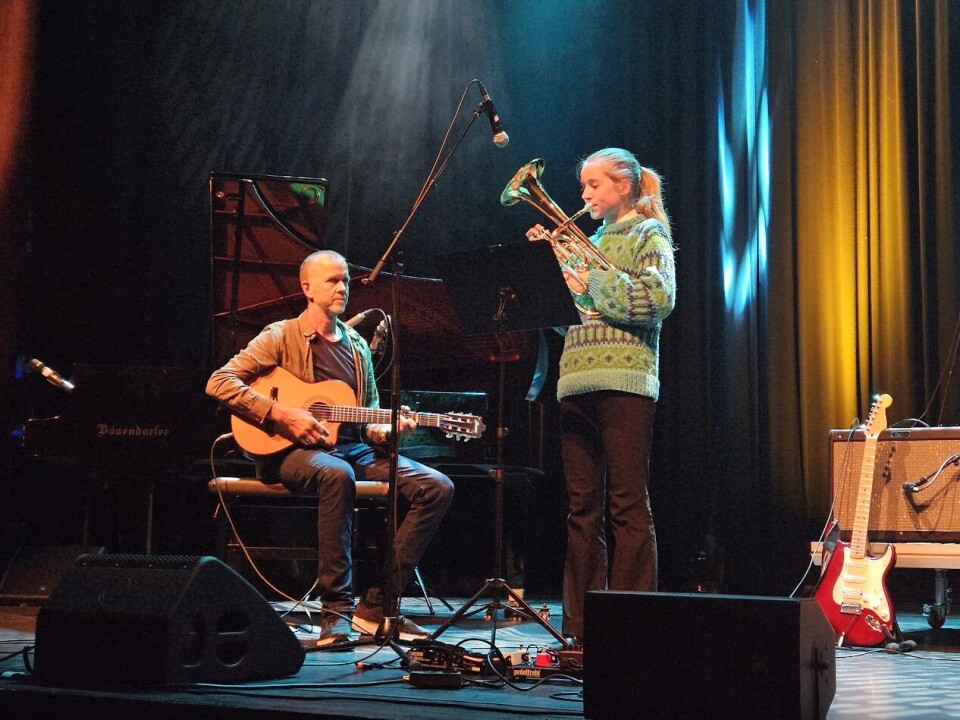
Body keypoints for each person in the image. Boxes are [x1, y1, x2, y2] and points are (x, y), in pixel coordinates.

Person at [206, 249, 454, 645]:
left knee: (437, 486)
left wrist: (390, 429)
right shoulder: (280, 335)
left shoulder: (357, 345)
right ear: (307, 288)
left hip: (351, 449)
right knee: (338, 474)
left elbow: (369, 416)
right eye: (332, 281)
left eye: (345, 281)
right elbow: (219, 382)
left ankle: (377, 606)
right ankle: (334, 610)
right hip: (288, 452)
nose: (342, 288)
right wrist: (280, 415)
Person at [526, 148, 676, 645]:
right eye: (584, 186)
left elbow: (655, 300)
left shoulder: (646, 234)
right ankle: (581, 631)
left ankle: (632, 628)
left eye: (594, 185)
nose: (585, 195)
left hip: (625, 382)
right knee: (580, 509)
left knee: (627, 504)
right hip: (575, 382)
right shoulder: (586, 241)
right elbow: (566, 318)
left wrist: (590, 276)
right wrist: (547, 270)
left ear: (625, 187)